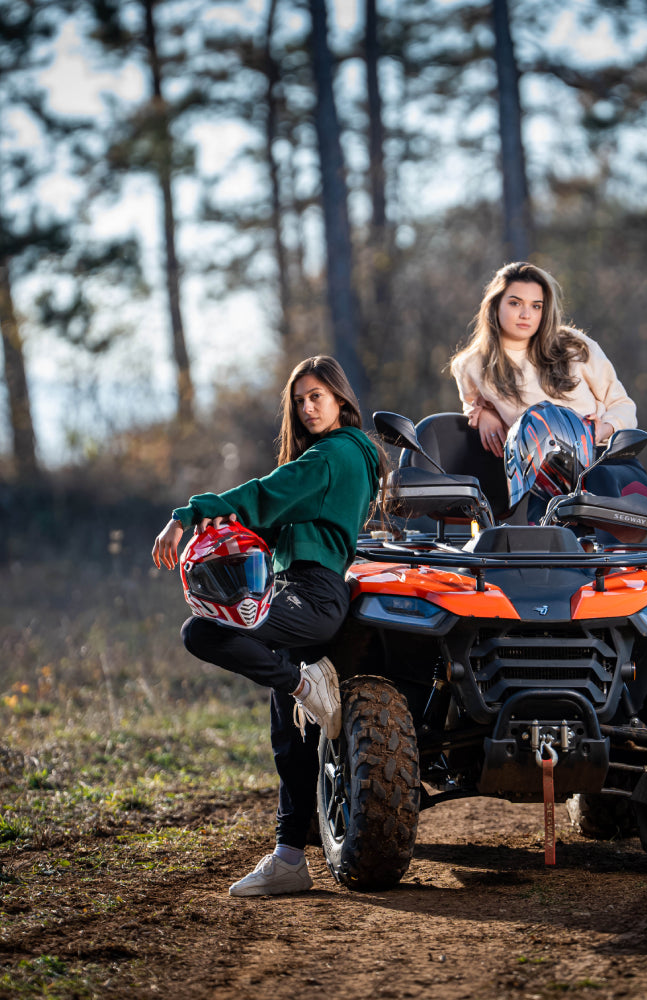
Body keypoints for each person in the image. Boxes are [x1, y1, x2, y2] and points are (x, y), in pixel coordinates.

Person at [151, 355, 383, 897]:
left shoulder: (335, 454)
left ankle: (308, 682)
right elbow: (264, 512)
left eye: (316, 396)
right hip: (294, 592)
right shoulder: (337, 459)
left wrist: (186, 514)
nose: (306, 408)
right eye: (299, 400)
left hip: (314, 593)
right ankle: (288, 856)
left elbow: (260, 495)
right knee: (288, 732)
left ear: (342, 400)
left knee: (200, 631)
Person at [449, 261, 647, 517]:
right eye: (515, 303)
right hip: (545, 478)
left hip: (603, 461)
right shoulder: (472, 365)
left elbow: (622, 405)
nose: (526, 314)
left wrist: (603, 429)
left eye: (536, 306)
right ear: (495, 305)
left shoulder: (574, 346)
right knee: (548, 534)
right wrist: (483, 415)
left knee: (598, 495)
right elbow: (472, 404)